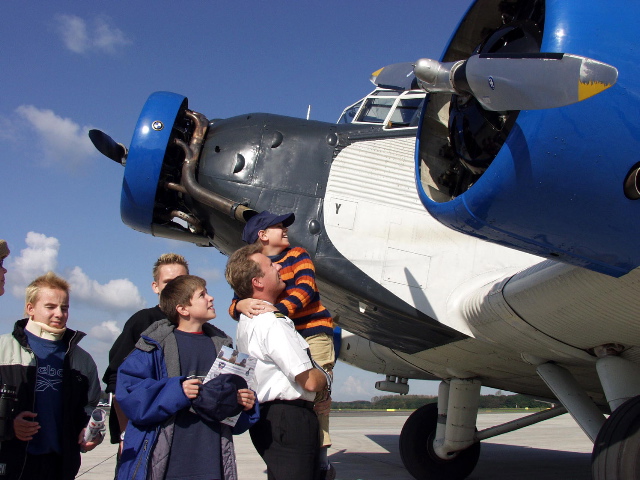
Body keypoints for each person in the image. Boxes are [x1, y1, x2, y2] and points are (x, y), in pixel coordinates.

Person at [115, 275, 258, 480]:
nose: (211, 298)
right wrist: (176, 391)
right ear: (183, 309)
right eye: (202, 295)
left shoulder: (223, 346)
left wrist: (245, 404)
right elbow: (129, 393)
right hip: (168, 462)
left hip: (212, 460)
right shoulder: (154, 344)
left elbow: (232, 421)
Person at [230, 211, 336, 478]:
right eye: (278, 226)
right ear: (262, 236)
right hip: (288, 411)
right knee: (317, 383)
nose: (286, 229)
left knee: (320, 397)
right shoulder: (270, 321)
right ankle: (320, 461)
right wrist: (243, 305)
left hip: (312, 330)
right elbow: (239, 300)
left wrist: (275, 311)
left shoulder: (298, 255)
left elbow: (306, 288)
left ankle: (321, 453)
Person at [0, 272, 102, 480]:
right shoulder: (2, 349)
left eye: (64, 308)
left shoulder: (82, 360)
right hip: (11, 464)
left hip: (59, 466)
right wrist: (9, 425)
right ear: (30, 308)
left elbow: (90, 406)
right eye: (50, 307)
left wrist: (90, 432)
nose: (59, 313)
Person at [102, 253, 189, 451]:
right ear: (155, 287)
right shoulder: (142, 322)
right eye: (167, 282)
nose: (175, 287)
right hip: (145, 439)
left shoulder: (199, 327)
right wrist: (126, 435)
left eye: (181, 281)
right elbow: (117, 382)